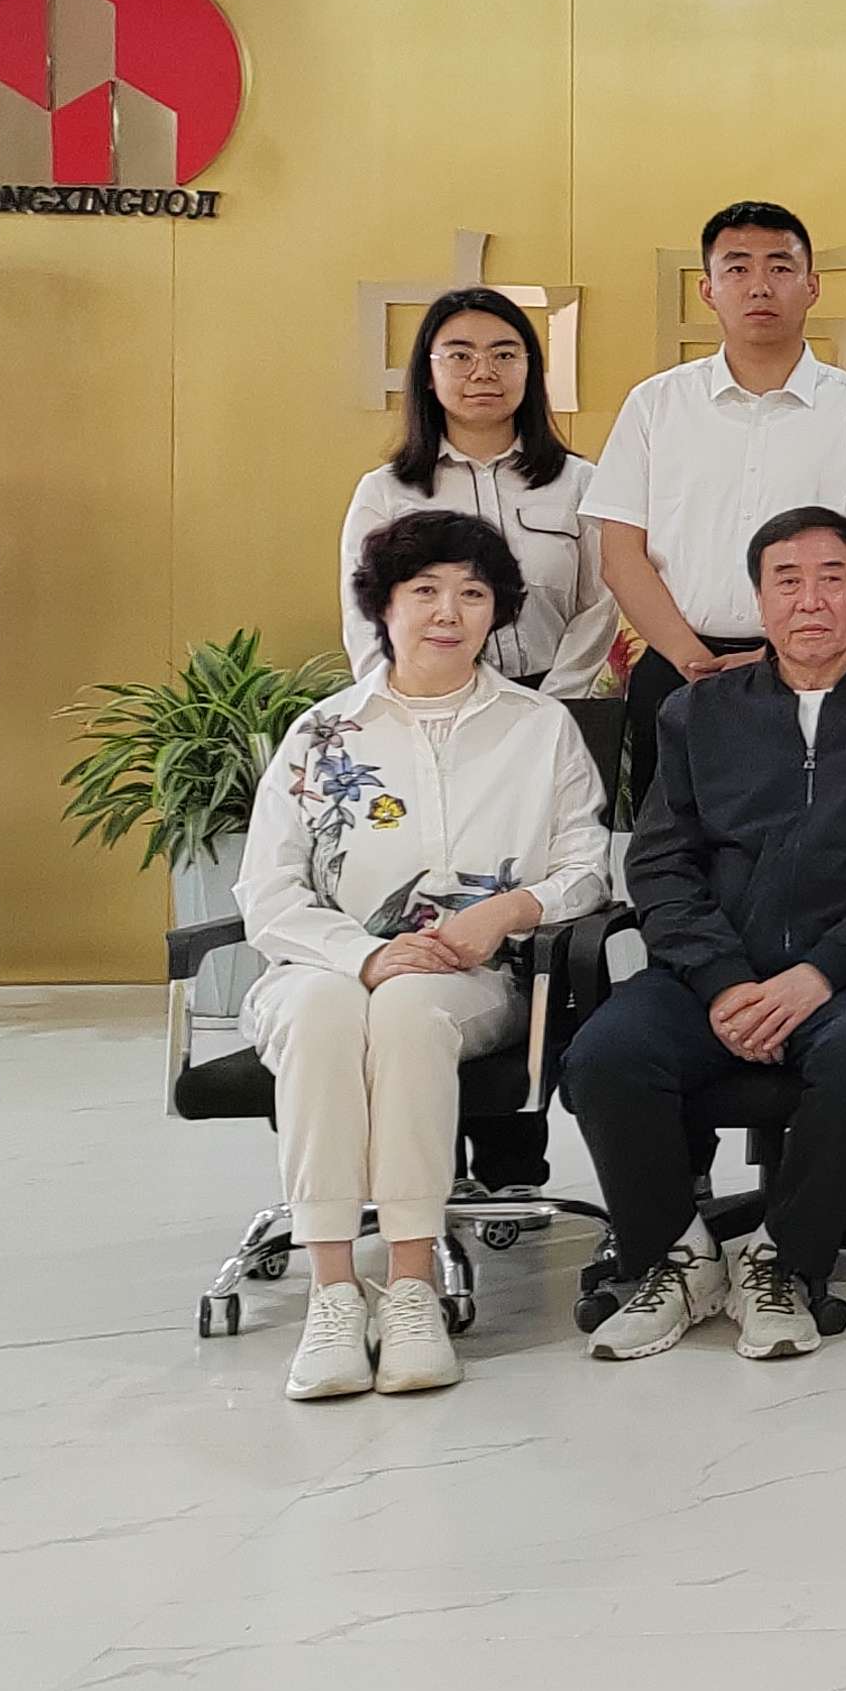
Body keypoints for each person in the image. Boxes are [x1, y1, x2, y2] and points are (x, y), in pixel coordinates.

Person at [566, 508, 846, 1363]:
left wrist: (820, 972)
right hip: (712, 974)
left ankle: (784, 1261)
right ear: (759, 599)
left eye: (833, 579)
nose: (810, 601)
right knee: (605, 1053)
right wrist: (722, 981)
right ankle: (676, 1259)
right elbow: (660, 864)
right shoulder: (698, 711)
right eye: (787, 581)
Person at [240, 510, 612, 1399]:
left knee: (409, 1011)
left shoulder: (540, 727)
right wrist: (363, 955)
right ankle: (333, 1294)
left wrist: (509, 911)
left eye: (473, 594)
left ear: (497, 612)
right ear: (384, 605)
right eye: (425, 591)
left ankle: (410, 1289)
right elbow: (267, 891)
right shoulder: (321, 733)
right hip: (322, 970)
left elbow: (587, 867)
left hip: (471, 977)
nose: (448, 612)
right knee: (326, 1011)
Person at [584, 202, 846, 816]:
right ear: (708, 290)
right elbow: (620, 555)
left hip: (821, 668)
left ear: (812, 286)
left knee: (822, 841)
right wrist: (692, 660)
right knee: (672, 845)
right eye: (737, 268)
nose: (760, 285)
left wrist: (777, 658)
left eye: (780, 267)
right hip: (677, 666)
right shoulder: (656, 405)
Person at [339, 287, 616, 699]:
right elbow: (364, 616)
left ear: (530, 369)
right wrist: (405, 702)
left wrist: (552, 704)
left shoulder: (578, 482)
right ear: (427, 374)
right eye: (460, 356)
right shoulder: (386, 491)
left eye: (504, 355)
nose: (484, 372)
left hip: (554, 699)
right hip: (428, 704)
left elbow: (600, 603)